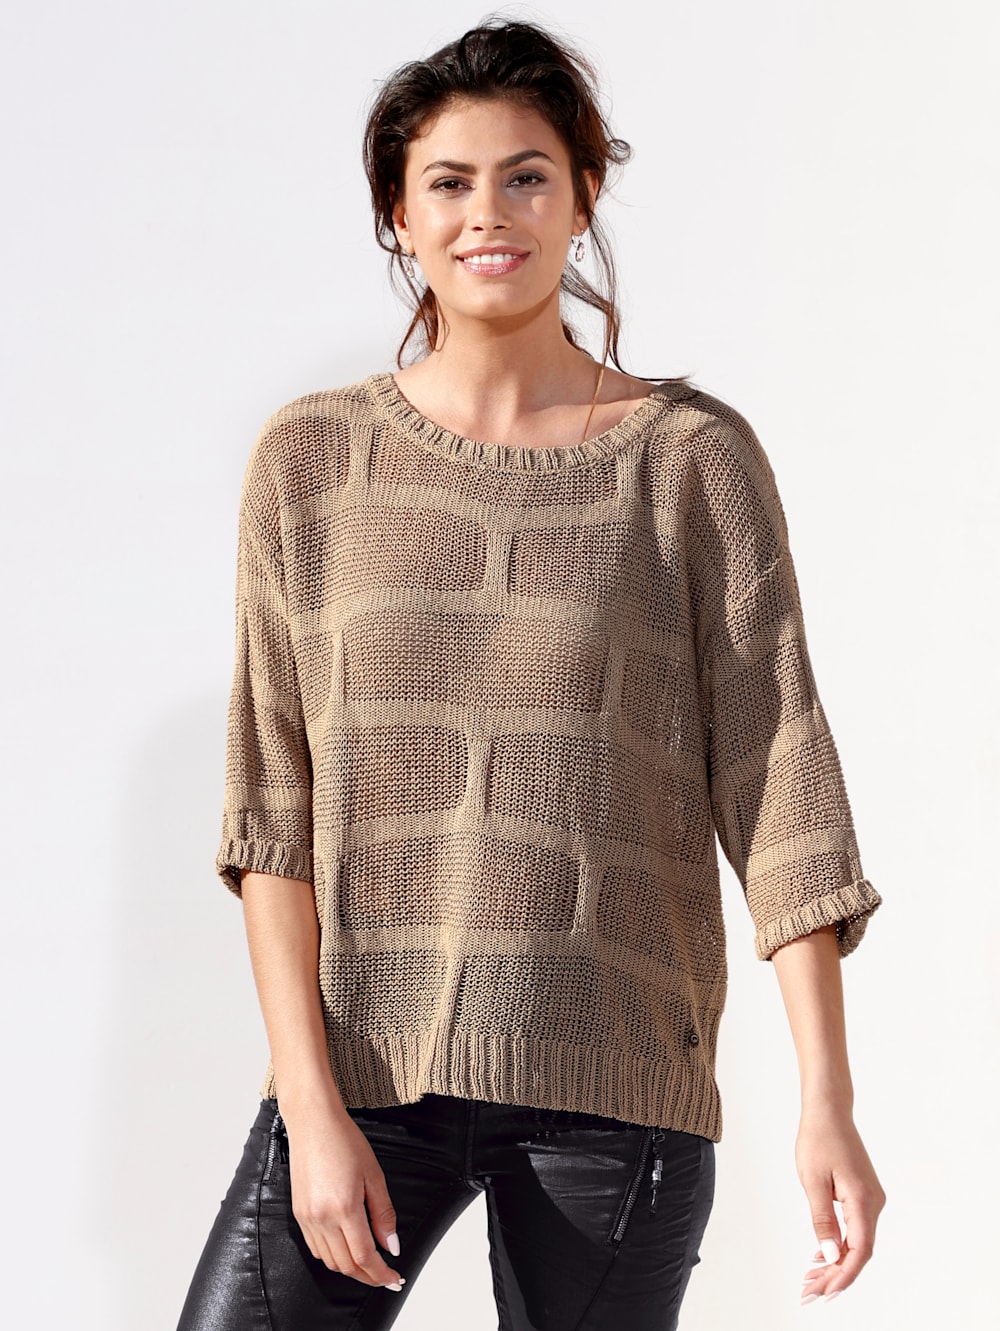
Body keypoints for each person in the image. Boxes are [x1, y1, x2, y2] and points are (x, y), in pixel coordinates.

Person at [177, 18, 885, 1331]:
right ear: (399, 215)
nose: (488, 213)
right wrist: (309, 1104)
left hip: (617, 1092)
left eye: (526, 176)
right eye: (448, 182)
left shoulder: (689, 461)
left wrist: (825, 1101)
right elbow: (272, 808)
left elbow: (780, 777)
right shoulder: (312, 463)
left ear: (583, 196)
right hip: (368, 1076)